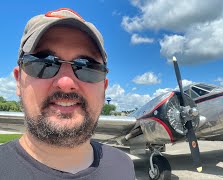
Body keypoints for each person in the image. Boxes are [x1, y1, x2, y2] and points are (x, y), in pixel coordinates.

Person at [0, 8, 135, 179]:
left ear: (104, 88)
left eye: (87, 67)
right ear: (18, 81)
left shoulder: (124, 165)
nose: (66, 83)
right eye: (43, 63)